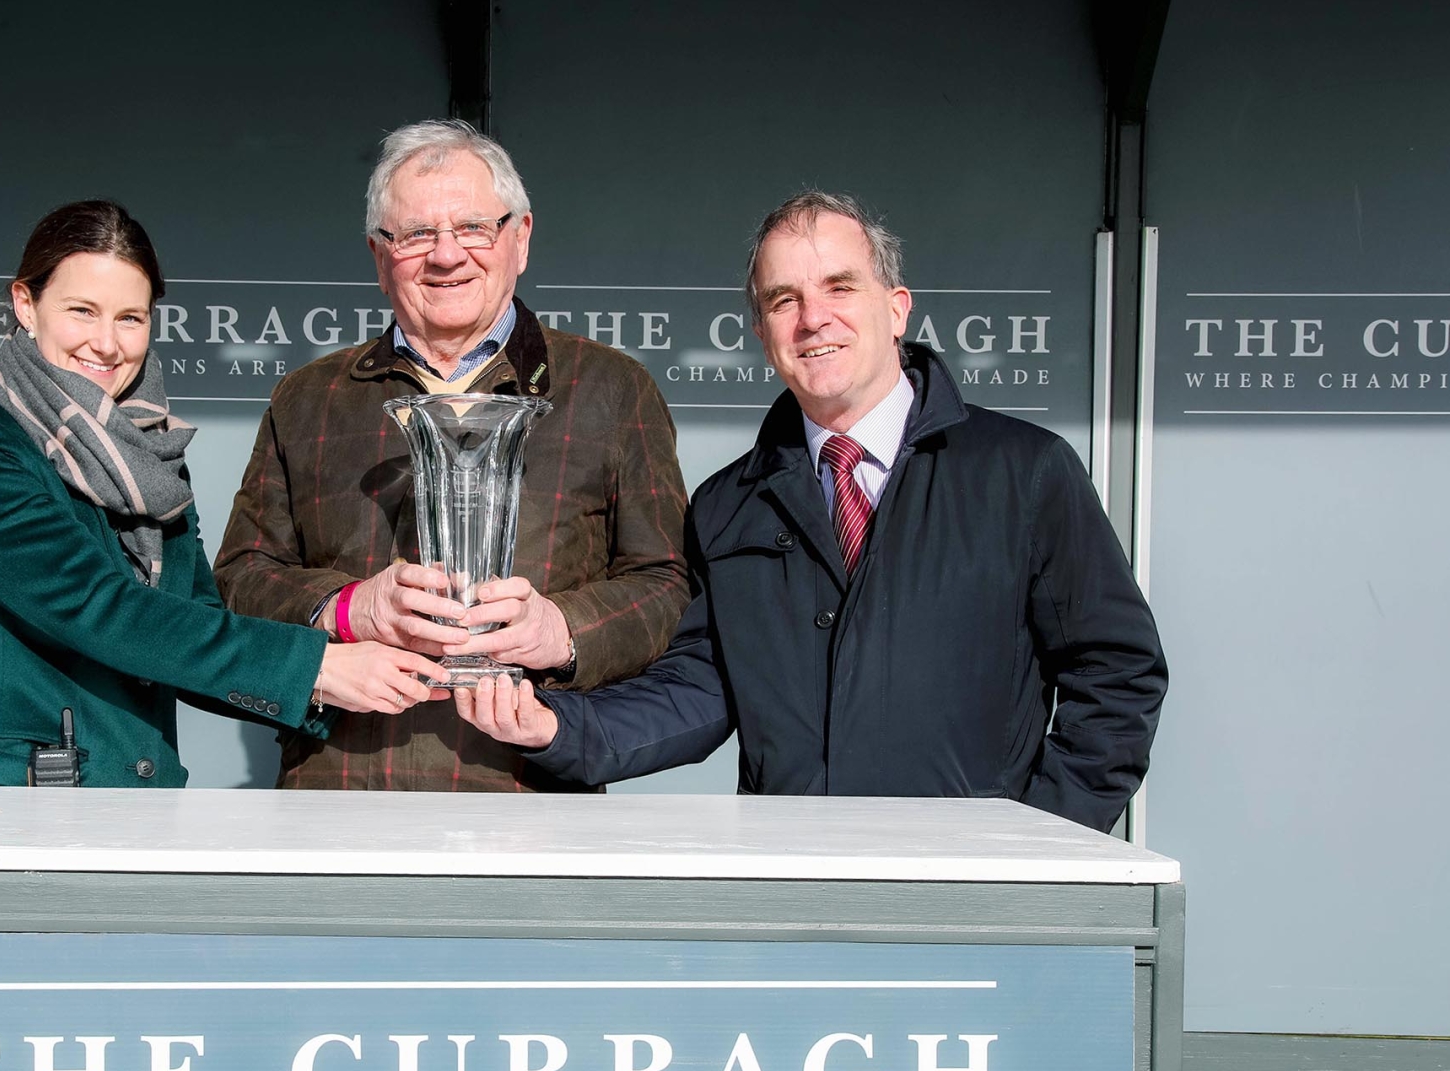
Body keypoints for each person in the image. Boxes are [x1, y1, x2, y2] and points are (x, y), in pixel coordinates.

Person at [456, 191, 1166, 832]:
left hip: (971, 891)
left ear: (897, 308)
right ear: (762, 333)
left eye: (839, 286)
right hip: (793, 884)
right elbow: (701, 689)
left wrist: (1043, 842)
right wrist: (557, 726)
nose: (813, 318)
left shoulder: (1022, 472)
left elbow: (1117, 673)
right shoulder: (728, 505)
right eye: (783, 300)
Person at [212, 120, 690, 792]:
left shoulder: (611, 389)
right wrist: (348, 610)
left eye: (473, 228)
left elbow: (667, 584)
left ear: (521, 238)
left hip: (532, 798)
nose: (446, 255)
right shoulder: (309, 398)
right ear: (380, 256)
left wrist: (563, 628)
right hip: (339, 796)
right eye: (415, 234)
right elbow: (239, 578)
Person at [0, 200, 438, 789]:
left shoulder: (154, 465)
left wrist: (382, 668)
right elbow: (99, 608)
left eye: (130, 318)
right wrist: (316, 669)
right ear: (25, 305)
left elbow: (195, 629)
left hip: (144, 813)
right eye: (82, 311)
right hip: (8, 809)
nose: (106, 343)